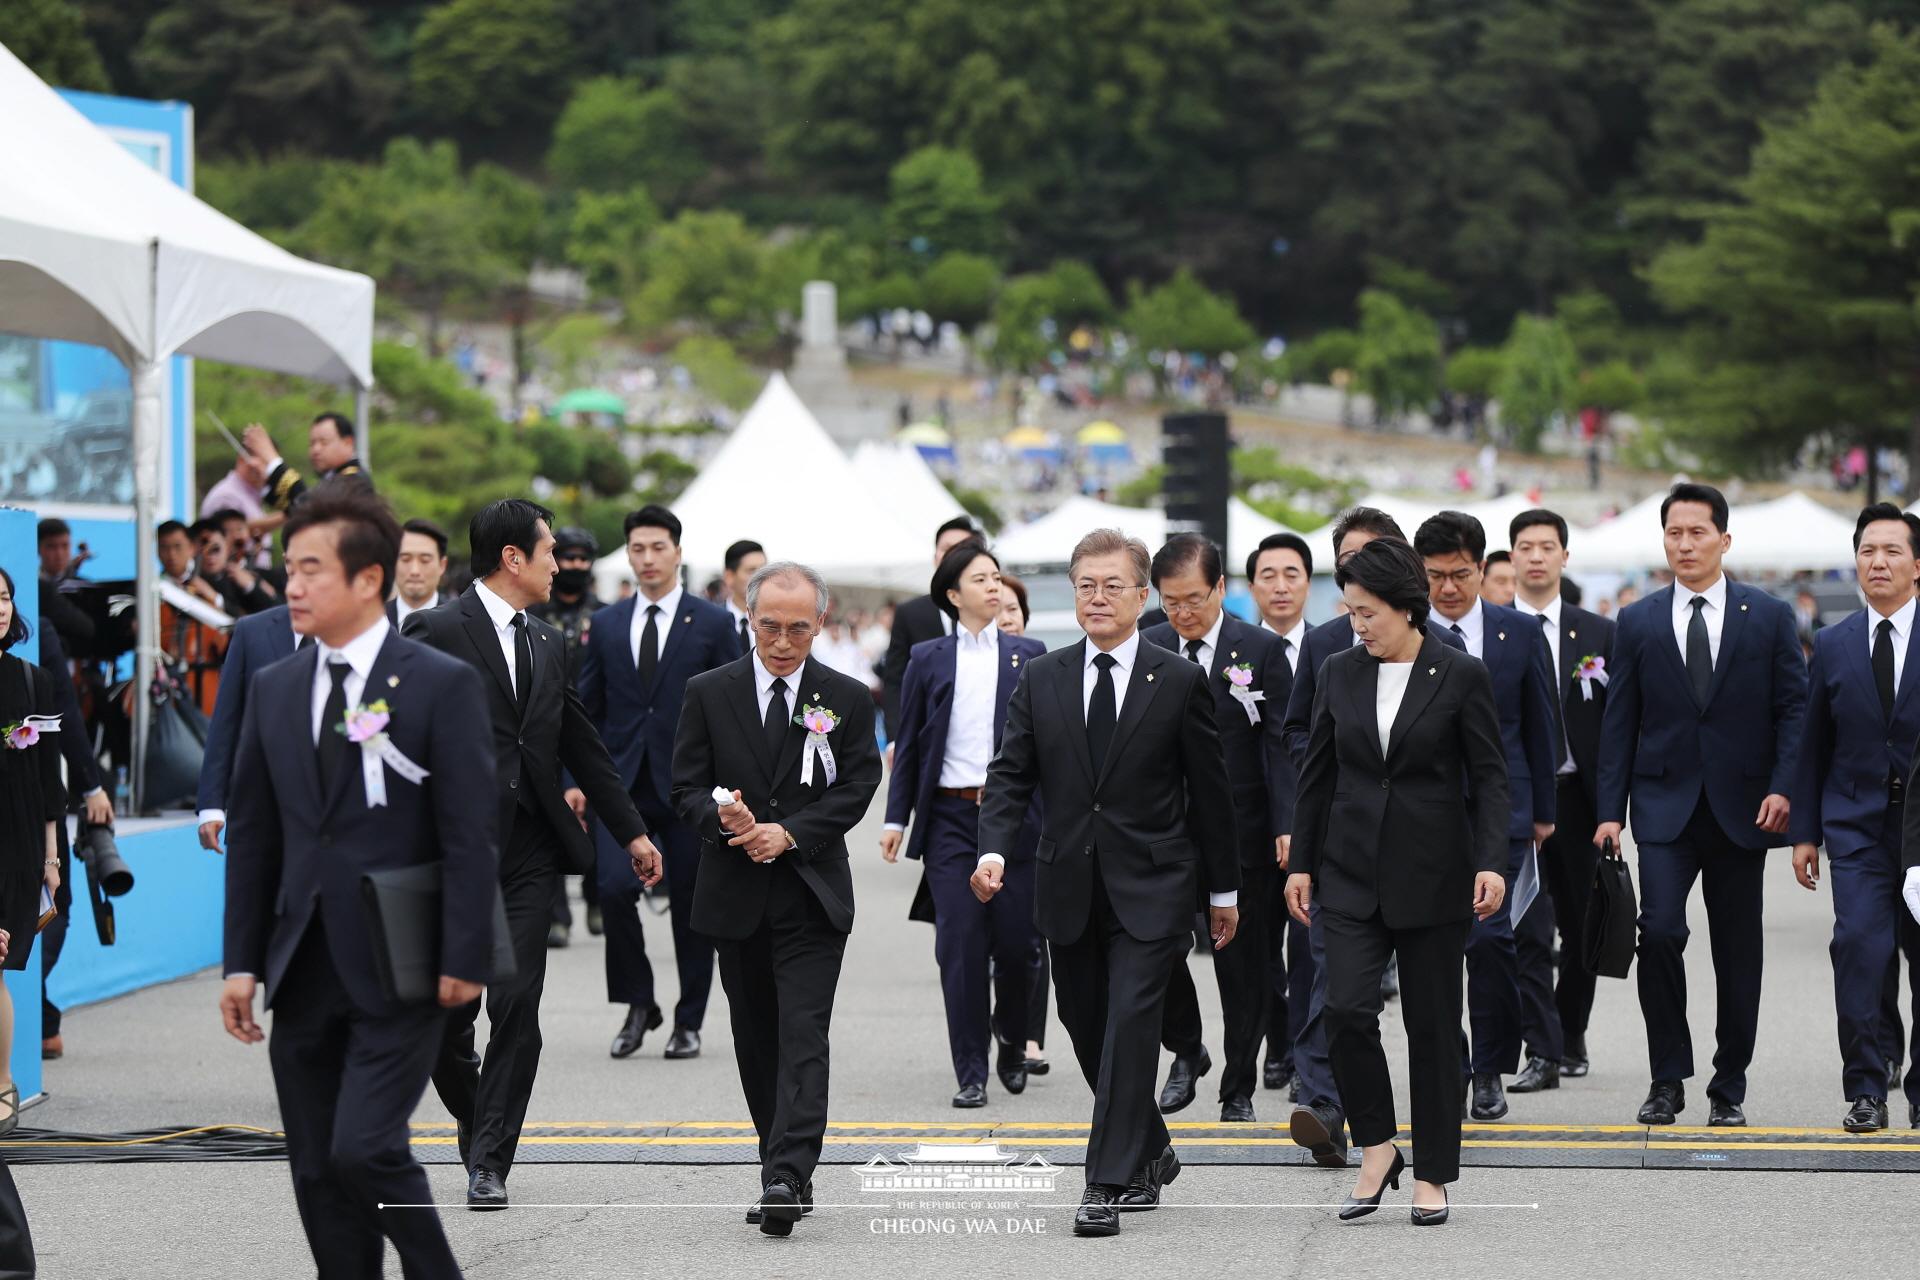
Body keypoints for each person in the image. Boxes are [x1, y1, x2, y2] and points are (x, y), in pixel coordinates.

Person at [219, 485, 494, 1278]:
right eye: (288, 569)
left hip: (403, 958)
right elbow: (257, 837)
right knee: (314, 1169)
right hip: (301, 964)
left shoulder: (440, 682)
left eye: (310, 570)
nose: (291, 587)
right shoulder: (276, 686)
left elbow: (468, 830)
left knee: (365, 1146)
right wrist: (242, 963)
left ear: (367, 578)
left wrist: (467, 951)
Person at [972, 529, 1237, 1237]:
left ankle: (1107, 1181)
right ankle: (1150, 1146)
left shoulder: (1178, 680)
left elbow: (1210, 795)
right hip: (1067, 884)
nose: (1097, 597)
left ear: (1142, 595)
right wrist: (993, 850)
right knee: (1083, 1024)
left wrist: (1224, 892)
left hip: (1154, 887)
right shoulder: (1044, 676)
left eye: (1112, 585)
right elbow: (1010, 775)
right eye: (1085, 584)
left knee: (1127, 1025)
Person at [405, 499, 660, 1209]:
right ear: (513, 558)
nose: (561, 564)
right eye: (549, 551)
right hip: (451, 854)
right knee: (444, 1021)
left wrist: (633, 831)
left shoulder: (550, 643)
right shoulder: (432, 631)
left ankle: (490, 1160)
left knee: (517, 1006)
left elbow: (583, 745)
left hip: (529, 851)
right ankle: (479, 1117)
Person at [1287, 536, 1510, 1226]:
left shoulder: (1460, 674)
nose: (1359, 627)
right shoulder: (1337, 672)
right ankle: (1379, 1144)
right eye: (1352, 613)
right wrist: (1301, 863)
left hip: (1434, 874)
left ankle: (1435, 1174)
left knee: (1434, 1028)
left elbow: (1491, 777)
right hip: (1348, 873)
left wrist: (1491, 860)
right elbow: (1317, 773)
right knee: (1347, 1011)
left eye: (1369, 614)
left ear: (1407, 609)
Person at [670, 561, 882, 1236]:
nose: (783, 641)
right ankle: (778, 1160)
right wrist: (724, 819)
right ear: (747, 617)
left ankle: (789, 1173)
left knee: (803, 1034)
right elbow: (684, 788)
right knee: (756, 1039)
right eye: (769, 626)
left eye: (797, 628)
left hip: (811, 894)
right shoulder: (709, 692)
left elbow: (856, 786)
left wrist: (790, 834)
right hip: (735, 895)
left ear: (820, 623)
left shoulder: (846, 696)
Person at [1595, 482, 1808, 1126]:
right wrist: (1611, 811)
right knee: (1658, 933)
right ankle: (1668, 1077)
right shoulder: (1636, 620)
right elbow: (1618, 720)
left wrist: (1783, 785)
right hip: (1662, 806)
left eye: (1696, 532)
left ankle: (1730, 1083)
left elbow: (1793, 709)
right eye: (1674, 534)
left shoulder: (1768, 616)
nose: (1684, 544)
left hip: (1744, 809)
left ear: (1724, 539)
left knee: (1737, 950)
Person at [1279, 507, 1465, 1167]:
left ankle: (1438, 1144)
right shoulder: (1330, 651)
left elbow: (1478, 767)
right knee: (1342, 995)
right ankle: (1336, 1111)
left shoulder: (1450, 658)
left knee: (1433, 1012)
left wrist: (1483, 857)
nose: (1359, 615)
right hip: (1344, 851)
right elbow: (1303, 741)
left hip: (1426, 863)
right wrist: (1302, 842)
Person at [883, 540, 1046, 1106]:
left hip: (1017, 819)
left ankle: (1010, 1034)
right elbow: (909, 746)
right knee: (961, 946)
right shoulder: (928, 658)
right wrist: (895, 818)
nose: (994, 587)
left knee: (1021, 944)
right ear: (953, 595)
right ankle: (970, 1071)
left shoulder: (1032, 654)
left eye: (997, 577)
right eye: (980, 580)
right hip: (952, 817)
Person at [1413, 511, 1559, 1122]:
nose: (1448, 588)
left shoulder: (1518, 633)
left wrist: (1543, 813)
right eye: (1435, 576)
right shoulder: (1406, 634)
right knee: (1437, 947)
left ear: (1481, 568)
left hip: (1504, 809)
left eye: (1460, 574)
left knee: (1495, 940)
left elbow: (1541, 724)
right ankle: (1452, 1060)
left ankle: (1490, 1070)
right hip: (1427, 811)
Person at [578, 506, 736, 1061]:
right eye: (637, 549)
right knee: (614, 890)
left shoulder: (713, 623)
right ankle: (638, 1002)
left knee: (694, 905)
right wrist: (579, 780)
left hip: (692, 789)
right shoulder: (607, 623)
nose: (647, 559)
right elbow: (587, 709)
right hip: (622, 786)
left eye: (657, 548)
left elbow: (733, 706)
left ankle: (689, 1019)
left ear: (677, 552)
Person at [1145, 534, 1290, 1123]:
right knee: (1156, 949)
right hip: (1163, 831)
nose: (1182, 614)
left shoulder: (1259, 650)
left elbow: (1281, 745)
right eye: (1171, 602)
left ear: (1222, 589)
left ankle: (1238, 1086)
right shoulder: (1149, 646)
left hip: (1241, 830)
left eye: (1194, 600)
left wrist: (1287, 823)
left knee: (1242, 964)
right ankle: (1186, 1048)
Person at [1793, 504, 1920, 1131]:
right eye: (1869, 550)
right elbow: (1813, 742)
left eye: (1893, 551)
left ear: (1917, 566)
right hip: (1857, 826)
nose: (1879, 562)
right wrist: (1805, 834)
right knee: (1859, 948)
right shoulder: (1836, 642)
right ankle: (1866, 1088)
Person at [1509, 508, 1617, 1087]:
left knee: (1583, 929)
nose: (1535, 556)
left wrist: (1612, 810)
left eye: (1546, 546)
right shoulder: (1494, 628)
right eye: (1524, 546)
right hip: (1518, 800)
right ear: (1509, 557)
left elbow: (1619, 724)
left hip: (1579, 799)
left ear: (1564, 556)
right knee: (1526, 927)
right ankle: (1541, 1048)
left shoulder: (1597, 633)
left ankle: (1570, 1030)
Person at [1245, 532, 1312, 1093]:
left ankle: (1306, 1048)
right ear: (1249, 587)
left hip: (1314, 822)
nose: (1281, 585)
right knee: (1260, 942)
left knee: (1310, 943)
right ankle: (1276, 1040)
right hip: (1249, 824)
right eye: (1269, 575)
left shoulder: (1336, 646)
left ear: (1309, 583)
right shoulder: (1239, 652)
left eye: (1292, 573)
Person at [0, 571, 64, 1134]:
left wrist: (51, 857)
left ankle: (1, 1087)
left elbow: (49, 779)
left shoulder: (32, 680)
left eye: (3, 597)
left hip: (15, 842)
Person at [33, 615, 112, 1062]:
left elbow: (62, 713)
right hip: (35, 799)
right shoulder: (40, 631)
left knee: (50, 900)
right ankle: (39, 1016)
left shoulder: (39, 633)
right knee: (49, 905)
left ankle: (40, 1017)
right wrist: (90, 785)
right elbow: (64, 712)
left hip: (38, 799)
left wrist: (88, 784)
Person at [533, 526, 608, 947]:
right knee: (550, 820)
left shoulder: (603, 615)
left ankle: (596, 894)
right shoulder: (536, 612)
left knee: (595, 818)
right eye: (569, 557)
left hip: (592, 728)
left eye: (584, 559)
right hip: (543, 729)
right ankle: (556, 912)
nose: (575, 566)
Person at [995, 571, 1053, 1072]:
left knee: (1033, 934)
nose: (1003, 617)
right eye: (996, 609)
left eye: (1011, 610)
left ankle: (1031, 1037)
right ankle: (1000, 1029)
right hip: (979, 812)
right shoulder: (959, 661)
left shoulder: (1038, 661)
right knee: (989, 937)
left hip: (1036, 814)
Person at [196, 604, 303, 852]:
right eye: (291, 564)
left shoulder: (351, 630)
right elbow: (226, 720)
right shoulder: (252, 630)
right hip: (259, 812)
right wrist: (211, 803)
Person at [882, 516, 980, 741]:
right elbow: (895, 680)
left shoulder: (994, 610)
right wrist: (896, 739)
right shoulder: (910, 613)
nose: (953, 554)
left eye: (963, 548)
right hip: (924, 734)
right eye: (946, 548)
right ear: (935, 556)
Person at [249, 413, 370, 518]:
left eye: (324, 442)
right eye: (312, 444)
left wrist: (272, 460)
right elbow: (294, 507)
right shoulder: (333, 477)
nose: (316, 449)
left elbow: (311, 509)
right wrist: (266, 478)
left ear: (348, 443)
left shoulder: (354, 479)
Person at [388, 517, 449, 629]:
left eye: (425, 560)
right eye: (405, 559)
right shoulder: (373, 622)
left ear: (442, 565)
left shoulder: (460, 622)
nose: (414, 571)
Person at [156, 520, 222, 608]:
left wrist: (215, 598)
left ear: (192, 548)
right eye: (164, 547)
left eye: (177, 546)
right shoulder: (153, 587)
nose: (171, 554)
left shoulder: (215, 579)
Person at [721, 540, 766, 657]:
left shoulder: (776, 623)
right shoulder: (711, 622)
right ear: (729, 576)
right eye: (751, 570)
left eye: (764, 570)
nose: (760, 577)